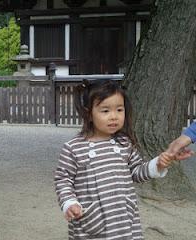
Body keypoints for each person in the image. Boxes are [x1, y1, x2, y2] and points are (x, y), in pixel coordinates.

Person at [54, 79, 188, 240]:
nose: (114, 116)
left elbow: (137, 172)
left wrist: (158, 164)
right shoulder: (73, 148)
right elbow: (63, 179)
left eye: (119, 109)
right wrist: (69, 202)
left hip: (124, 220)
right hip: (93, 220)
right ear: (88, 113)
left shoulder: (125, 143)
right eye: (105, 111)